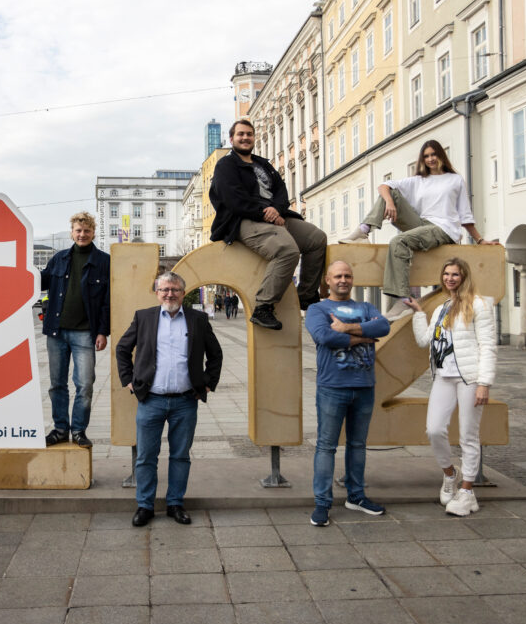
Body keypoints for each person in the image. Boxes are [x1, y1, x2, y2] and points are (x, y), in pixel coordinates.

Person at [341, 140, 498, 321]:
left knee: (398, 241)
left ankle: (403, 299)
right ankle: (363, 230)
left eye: (434, 154)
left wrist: (479, 239)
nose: (430, 159)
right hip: (421, 224)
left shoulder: (455, 180)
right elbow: (383, 186)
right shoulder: (419, 181)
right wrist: (390, 202)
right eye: (426, 156)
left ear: (441, 156)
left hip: (443, 229)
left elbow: (465, 215)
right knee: (390, 193)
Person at [116, 272, 222, 527]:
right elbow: (122, 348)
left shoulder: (197, 319)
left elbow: (215, 353)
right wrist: (128, 380)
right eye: (164, 289)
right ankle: (145, 506)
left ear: (183, 293)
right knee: (145, 457)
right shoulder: (144, 317)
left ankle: (175, 504)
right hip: (150, 400)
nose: (169, 294)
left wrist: (208, 383)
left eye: (175, 289)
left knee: (181, 455)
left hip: (186, 401)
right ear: (157, 292)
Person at [210, 119, 326, 330]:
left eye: (249, 134)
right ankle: (263, 307)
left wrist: (278, 210)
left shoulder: (263, 164)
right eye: (241, 134)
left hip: (277, 217)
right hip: (243, 220)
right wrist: (267, 213)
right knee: (287, 251)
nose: (245, 138)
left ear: (254, 138)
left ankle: (306, 294)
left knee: (316, 239)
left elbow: (282, 192)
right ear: (232, 139)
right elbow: (233, 200)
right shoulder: (225, 166)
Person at [406, 257, 497, 517]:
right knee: (434, 429)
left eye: (455, 274)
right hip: (443, 377)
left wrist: (484, 383)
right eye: (446, 274)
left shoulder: (478, 305)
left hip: (469, 378)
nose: (450, 278)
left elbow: (488, 346)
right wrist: (418, 314)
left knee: (469, 435)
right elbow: (425, 341)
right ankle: (450, 474)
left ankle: (467, 491)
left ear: (464, 276)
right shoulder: (442, 308)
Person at [304, 260, 391, 526]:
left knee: (357, 445)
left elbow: (384, 326)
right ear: (327, 280)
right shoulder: (317, 308)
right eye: (338, 276)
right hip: (332, 387)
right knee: (326, 446)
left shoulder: (365, 306)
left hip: (364, 386)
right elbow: (324, 337)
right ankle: (322, 503)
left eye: (348, 275)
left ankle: (357, 496)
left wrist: (346, 328)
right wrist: (364, 337)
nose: (343, 280)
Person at [40, 211, 110, 448]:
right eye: (78, 231)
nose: (82, 234)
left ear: (93, 233)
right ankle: (60, 429)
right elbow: (40, 283)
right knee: (57, 384)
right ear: (72, 232)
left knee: (85, 384)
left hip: (85, 333)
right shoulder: (59, 258)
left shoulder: (103, 261)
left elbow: (106, 301)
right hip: (56, 332)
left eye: (87, 231)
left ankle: (79, 430)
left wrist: (102, 331)